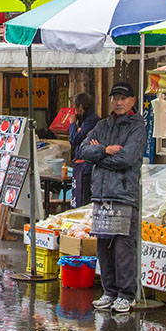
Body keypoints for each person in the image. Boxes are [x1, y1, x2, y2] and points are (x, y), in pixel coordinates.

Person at [79, 81, 146, 314]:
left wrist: (98, 155)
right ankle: (109, 291)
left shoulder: (137, 127)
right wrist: (105, 150)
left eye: (124, 98)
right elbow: (82, 150)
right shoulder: (102, 125)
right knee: (103, 246)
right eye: (115, 97)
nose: (119, 102)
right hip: (101, 194)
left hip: (124, 195)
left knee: (123, 248)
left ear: (133, 101)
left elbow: (126, 158)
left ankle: (126, 295)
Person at [68, 92, 99, 208]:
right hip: (80, 166)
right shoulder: (83, 120)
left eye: (75, 107)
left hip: (87, 166)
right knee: (79, 197)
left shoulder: (91, 121)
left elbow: (74, 138)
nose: (74, 110)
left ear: (80, 107)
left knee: (84, 198)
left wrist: (72, 124)